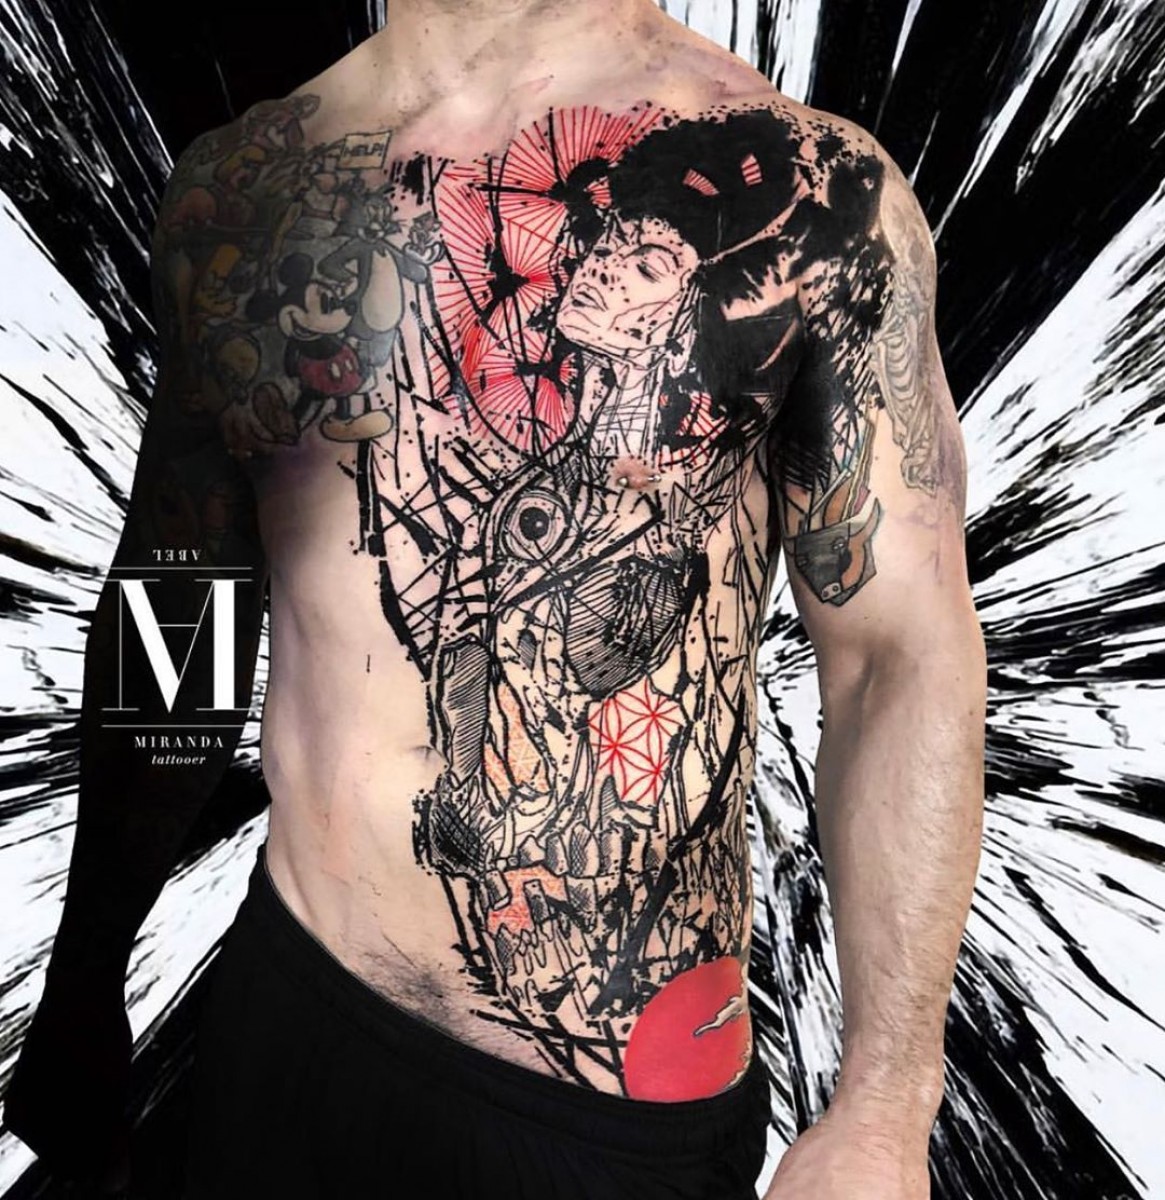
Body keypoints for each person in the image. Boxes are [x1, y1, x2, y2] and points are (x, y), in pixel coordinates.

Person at [2, 0, 987, 1197]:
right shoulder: (249, 189)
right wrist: (86, 966)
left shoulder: (819, 196)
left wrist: (885, 1102)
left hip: (604, 1099)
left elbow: (897, 656)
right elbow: (180, 607)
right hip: (290, 1017)